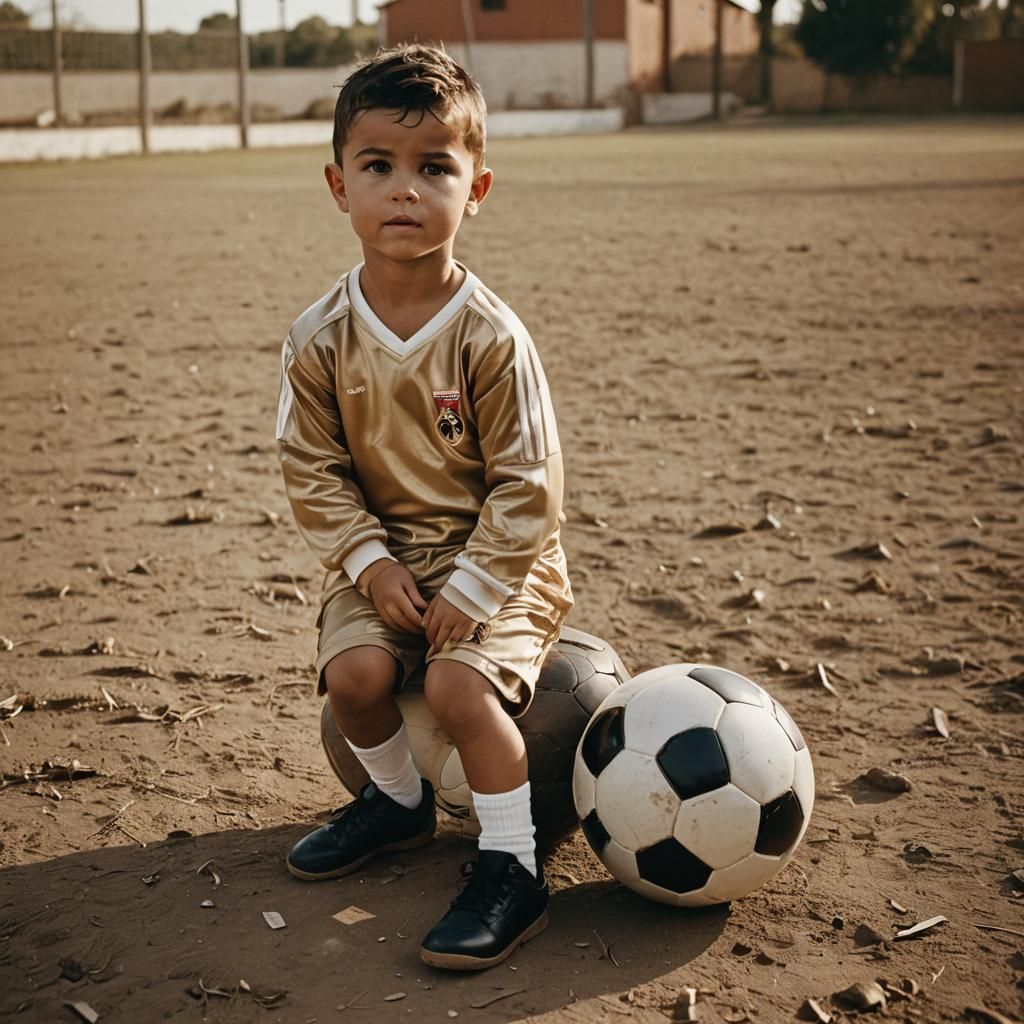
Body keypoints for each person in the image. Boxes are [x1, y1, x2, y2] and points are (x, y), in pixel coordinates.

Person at [275, 44, 572, 971]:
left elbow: (531, 482)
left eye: (434, 168)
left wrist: (476, 587)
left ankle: (514, 868)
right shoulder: (318, 337)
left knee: (454, 688)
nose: (405, 189)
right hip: (387, 560)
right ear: (339, 186)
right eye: (378, 165)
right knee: (356, 679)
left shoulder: (492, 337)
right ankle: (399, 805)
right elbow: (311, 467)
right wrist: (369, 564)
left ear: (475, 189)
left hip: (501, 561)